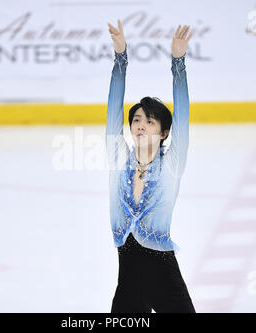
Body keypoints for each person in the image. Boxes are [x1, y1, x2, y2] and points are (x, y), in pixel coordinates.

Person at [105, 19, 196, 313]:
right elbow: (112, 109)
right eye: (137, 120)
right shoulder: (118, 158)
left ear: (164, 132)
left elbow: (181, 115)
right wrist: (121, 58)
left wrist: (178, 64)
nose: (141, 125)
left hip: (163, 275)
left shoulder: (172, 164)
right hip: (128, 279)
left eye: (150, 121)